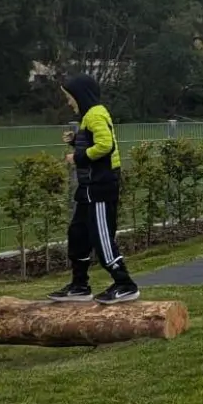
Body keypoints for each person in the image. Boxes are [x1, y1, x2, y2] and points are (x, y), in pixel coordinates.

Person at [48, 74, 139, 305]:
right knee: (78, 234)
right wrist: (76, 140)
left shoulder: (96, 114)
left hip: (101, 186)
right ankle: (79, 285)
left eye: (70, 98)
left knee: (102, 238)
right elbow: (93, 140)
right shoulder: (90, 116)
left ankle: (124, 284)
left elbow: (105, 146)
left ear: (81, 96)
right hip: (88, 188)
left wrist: (77, 156)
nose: (69, 102)